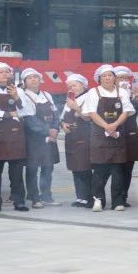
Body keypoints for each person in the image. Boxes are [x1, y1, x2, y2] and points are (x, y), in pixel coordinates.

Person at [81, 64, 135, 211]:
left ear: (114, 78)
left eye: (110, 75)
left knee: (117, 169)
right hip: (100, 136)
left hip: (117, 135)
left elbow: (126, 111)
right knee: (99, 170)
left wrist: (115, 125)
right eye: (104, 76)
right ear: (99, 78)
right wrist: (106, 126)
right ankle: (98, 200)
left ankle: (117, 202)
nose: (107, 78)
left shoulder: (122, 92)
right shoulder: (93, 92)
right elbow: (91, 113)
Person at [0, 61, 33, 213]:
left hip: (15, 136)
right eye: (1, 72)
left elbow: (27, 111)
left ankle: (19, 201)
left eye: (7, 72)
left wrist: (16, 97)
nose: (5, 74)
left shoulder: (19, 90)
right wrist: (10, 114)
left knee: (16, 173)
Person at [20, 68, 60, 208]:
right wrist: (48, 131)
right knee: (32, 169)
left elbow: (55, 115)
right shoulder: (24, 96)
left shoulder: (47, 95)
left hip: (50, 137)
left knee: (48, 168)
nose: (33, 80)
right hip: (33, 139)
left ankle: (46, 195)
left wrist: (55, 128)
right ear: (24, 82)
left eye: (36, 77)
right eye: (29, 78)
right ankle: (34, 197)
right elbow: (29, 120)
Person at [61, 73, 94, 208]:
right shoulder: (70, 99)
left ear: (83, 85)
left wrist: (76, 108)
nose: (72, 88)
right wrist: (63, 125)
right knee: (76, 168)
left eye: (74, 85)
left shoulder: (89, 97)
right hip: (71, 137)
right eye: (69, 86)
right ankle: (80, 197)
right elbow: (63, 116)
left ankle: (89, 197)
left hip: (85, 136)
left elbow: (89, 117)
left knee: (85, 168)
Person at [114, 66, 138, 206]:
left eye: (126, 78)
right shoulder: (110, 94)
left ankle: (123, 196)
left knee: (128, 168)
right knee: (116, 168)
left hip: (131, 134)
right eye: (121, 78)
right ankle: (116, 197)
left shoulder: (132, 94)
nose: (124, 81)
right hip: (114, 134)